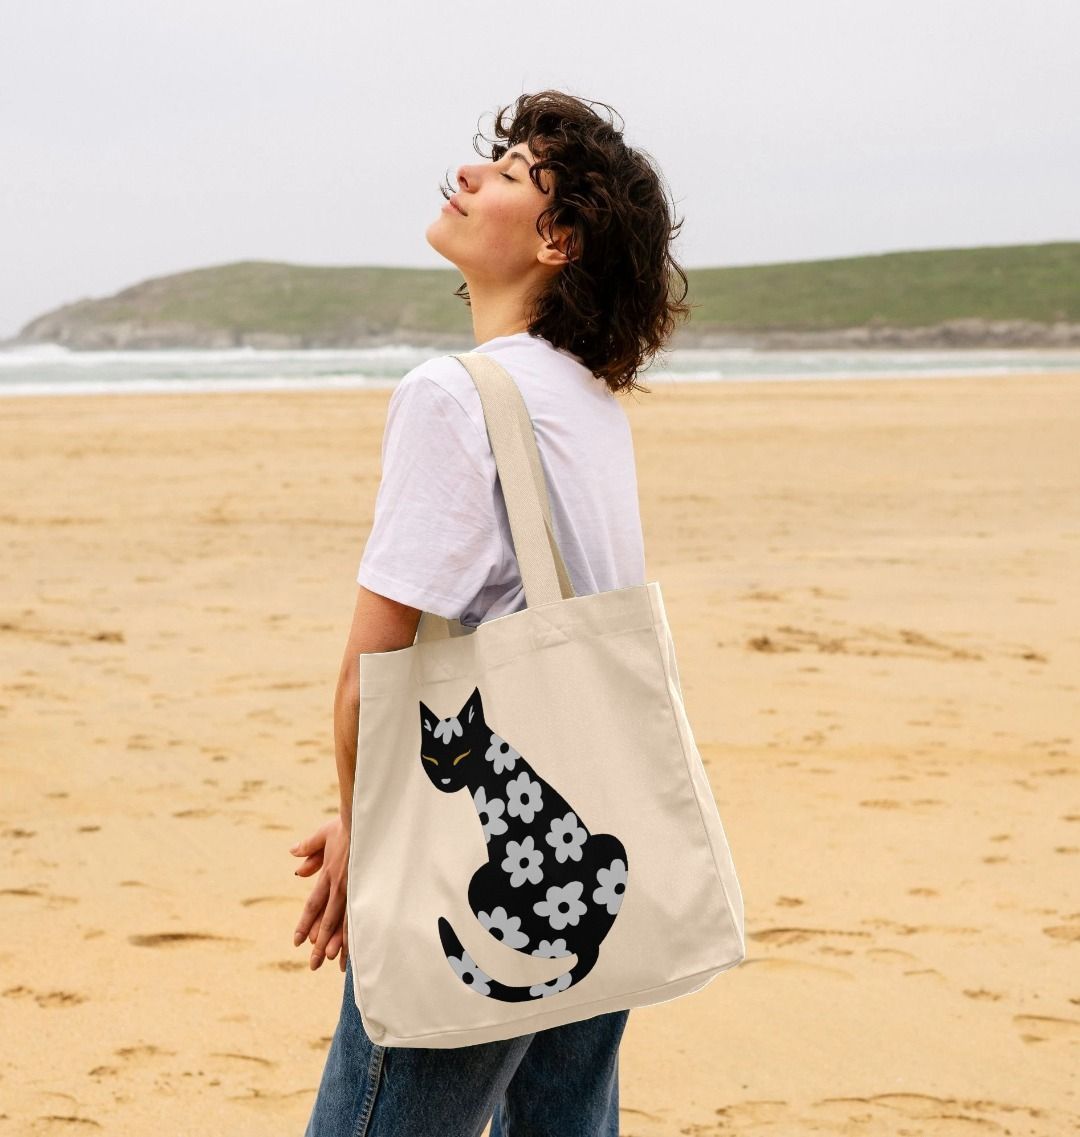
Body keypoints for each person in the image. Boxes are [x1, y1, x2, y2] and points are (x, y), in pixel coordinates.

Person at [289, 88, 689, 1137]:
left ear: (558, 240)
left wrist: (372, 840)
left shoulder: (453, 393)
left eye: (509, 174)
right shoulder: (588, 402)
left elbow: (372, 669)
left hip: (493, 870)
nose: (469, 175)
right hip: (600, 838)